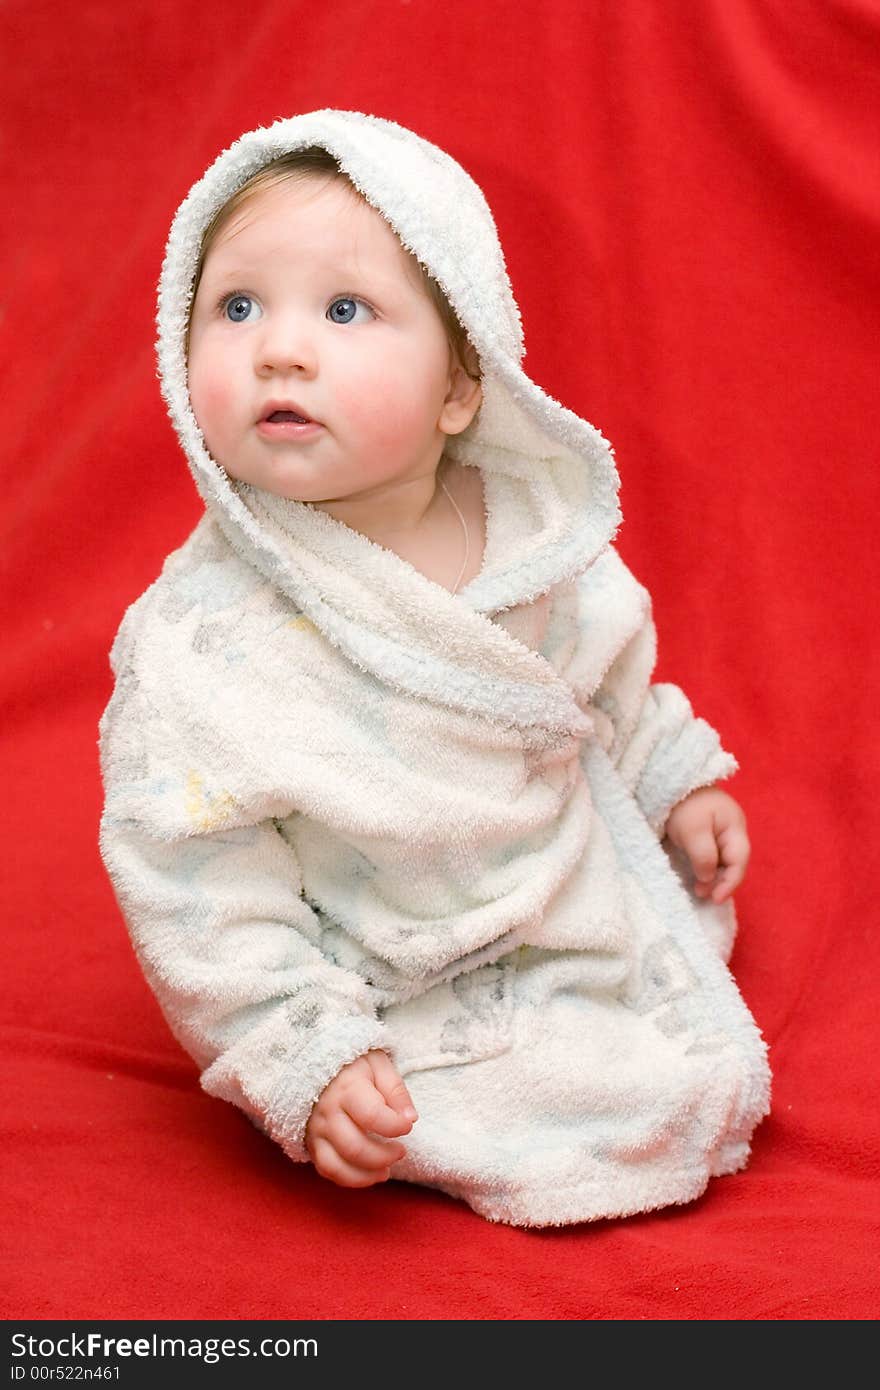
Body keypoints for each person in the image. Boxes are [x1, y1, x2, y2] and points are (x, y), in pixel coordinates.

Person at [98, 110, 770, 1227]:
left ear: (464, 385)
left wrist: (671, 780)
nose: (280, 347)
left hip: (556, 891)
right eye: (237, 305)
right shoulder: (199, 643)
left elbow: (598, 688)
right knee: (404, 1079)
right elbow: (195, 883)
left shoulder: (535, 541)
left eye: (345, 309)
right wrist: (301, 1050)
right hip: (379, 965)